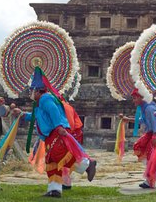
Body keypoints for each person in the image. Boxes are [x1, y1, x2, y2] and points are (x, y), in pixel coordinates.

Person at [12, 67, 97, 198]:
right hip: (52, 134)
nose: (30, 93)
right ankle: (55, 189)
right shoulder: (40, 103)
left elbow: (53, 111)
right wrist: (23, 114)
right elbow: (37, 116)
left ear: (37, 90)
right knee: (52, 161)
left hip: (58, 131)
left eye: (31, 90)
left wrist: (58, 126)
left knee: (59, 156)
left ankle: (87, 164)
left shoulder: (46, 99)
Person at [119, 88, 156, 189]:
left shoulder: (150, 108)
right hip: (151, 133)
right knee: (140, 148)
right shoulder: (145, 107)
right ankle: (149, 178)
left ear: (141, 97)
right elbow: (142, 120)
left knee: (150, 156)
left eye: (135, 98)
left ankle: (151, 180)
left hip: (155, 133)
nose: (133, 100)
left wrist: (155, 136)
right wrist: (128, 119)